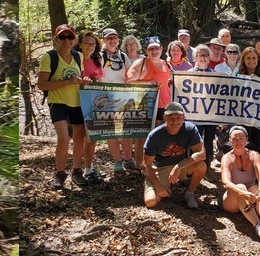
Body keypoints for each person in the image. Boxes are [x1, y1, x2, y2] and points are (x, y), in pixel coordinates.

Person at [40, 24, 96, 189]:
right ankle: (59, 173)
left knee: (80, 137)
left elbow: (80, 78)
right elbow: (42, 85)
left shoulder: (78, 56)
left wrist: (85, 81)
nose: (66, 40)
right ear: (56, 39)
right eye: (62, 37)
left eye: (70, 37)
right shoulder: (49, 57)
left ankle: (77, 171)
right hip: (58, 102)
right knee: (64, 137)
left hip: (77, 102)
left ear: (74, 40)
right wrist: (68, 81)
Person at [141, 102, 206, 209]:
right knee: (151, 202)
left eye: (178, 118)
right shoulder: (155, 135)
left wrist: (179, 166)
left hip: (180, 166)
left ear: (183, 117)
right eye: (171, 118)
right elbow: (145, 165)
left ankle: (189, 194)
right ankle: (159, 185)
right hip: (160, 168)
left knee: (201, 165)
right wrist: (158, 185)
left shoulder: (190, 129)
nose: (175, 121)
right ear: (164, 117)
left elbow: (201, 154)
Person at [221, 126, 260, 240]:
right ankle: (258, 225)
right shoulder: (227, 158)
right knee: (240, 187)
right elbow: (226, 183)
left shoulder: (254, 155)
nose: (238, 142)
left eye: (241, 138)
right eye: (234, 139)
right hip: (231, 200)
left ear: (246, 139)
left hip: (250, 197)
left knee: (256, 188)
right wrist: (243, 193)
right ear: (230, 140)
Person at [98, 29, 133, 172]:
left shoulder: (123, 56)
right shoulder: (99, 56)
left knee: (126, 130)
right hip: (106, 98)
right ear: (103, 41)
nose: (112, 40)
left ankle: (128, 159)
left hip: (123, 97)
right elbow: (96, 76)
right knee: (111, 132)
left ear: (118, 39)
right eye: (109, 38)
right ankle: (117, 160)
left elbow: (131, 75)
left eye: (114, 38)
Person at [128, 37, 172, 122]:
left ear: (161, 48)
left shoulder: (166, 64)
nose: (154, 51)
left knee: (162, 134)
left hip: (165, 106)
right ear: (146, 51)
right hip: (147, 107)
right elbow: (128, 84)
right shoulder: (140, 63)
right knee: (147, 134)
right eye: (151, 48)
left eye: (156, 48)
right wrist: (147, 83)